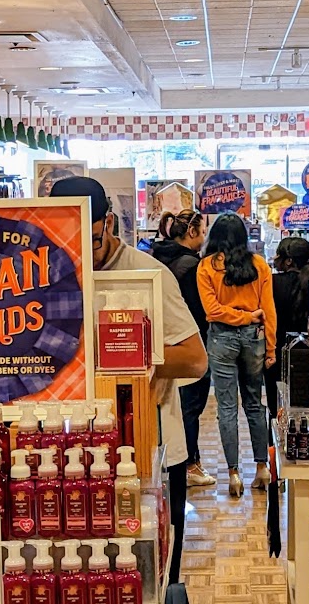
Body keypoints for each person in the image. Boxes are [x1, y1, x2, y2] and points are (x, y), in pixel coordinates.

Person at [45, 177, 209, 573]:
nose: (81, 254)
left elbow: (194, 359)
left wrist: (119, 357)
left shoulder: (148, 274)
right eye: (68, 243)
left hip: (153, 453)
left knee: (155, 575)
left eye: (91, 241)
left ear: (108, 224)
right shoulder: (46, 277)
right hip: (74, 458)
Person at [197, 214, 276, 498]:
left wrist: (238, 317)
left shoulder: (206, 267)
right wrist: (270, 347)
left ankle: (233, 474)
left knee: (227, 408)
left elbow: (212, 311)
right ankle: (262, 468)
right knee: (255, 405)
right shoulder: (259, 265)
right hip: (255, 338)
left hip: (221, 338)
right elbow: (269, 310)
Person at [148, 210, 213, 492]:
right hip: (186, 346)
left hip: (159, 347)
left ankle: (175, 464)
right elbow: (198, 311)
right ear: (191, 232)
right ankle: (190, 465)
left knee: (171, 409)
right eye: (202, 232)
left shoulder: (155, 258)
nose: (204, 237)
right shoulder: (191, 266)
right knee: (190, 409)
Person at [269, 235, 309, 411]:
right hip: (308, 354)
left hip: (277, 350)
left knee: (277, 406)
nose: (275, 258)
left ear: (288, 261)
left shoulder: (273, 283)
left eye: (278, 255)